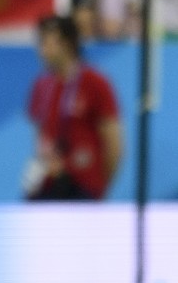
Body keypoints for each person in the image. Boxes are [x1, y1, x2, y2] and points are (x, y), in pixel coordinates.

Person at [24, 15, 122, 200]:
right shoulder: (42, 85)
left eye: (46, 43)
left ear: (67, 44)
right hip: (49, 186)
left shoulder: (95, 83)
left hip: (84, 188)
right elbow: (40, 135)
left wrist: (99, 187)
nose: (41, 51)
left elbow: (114, 145)